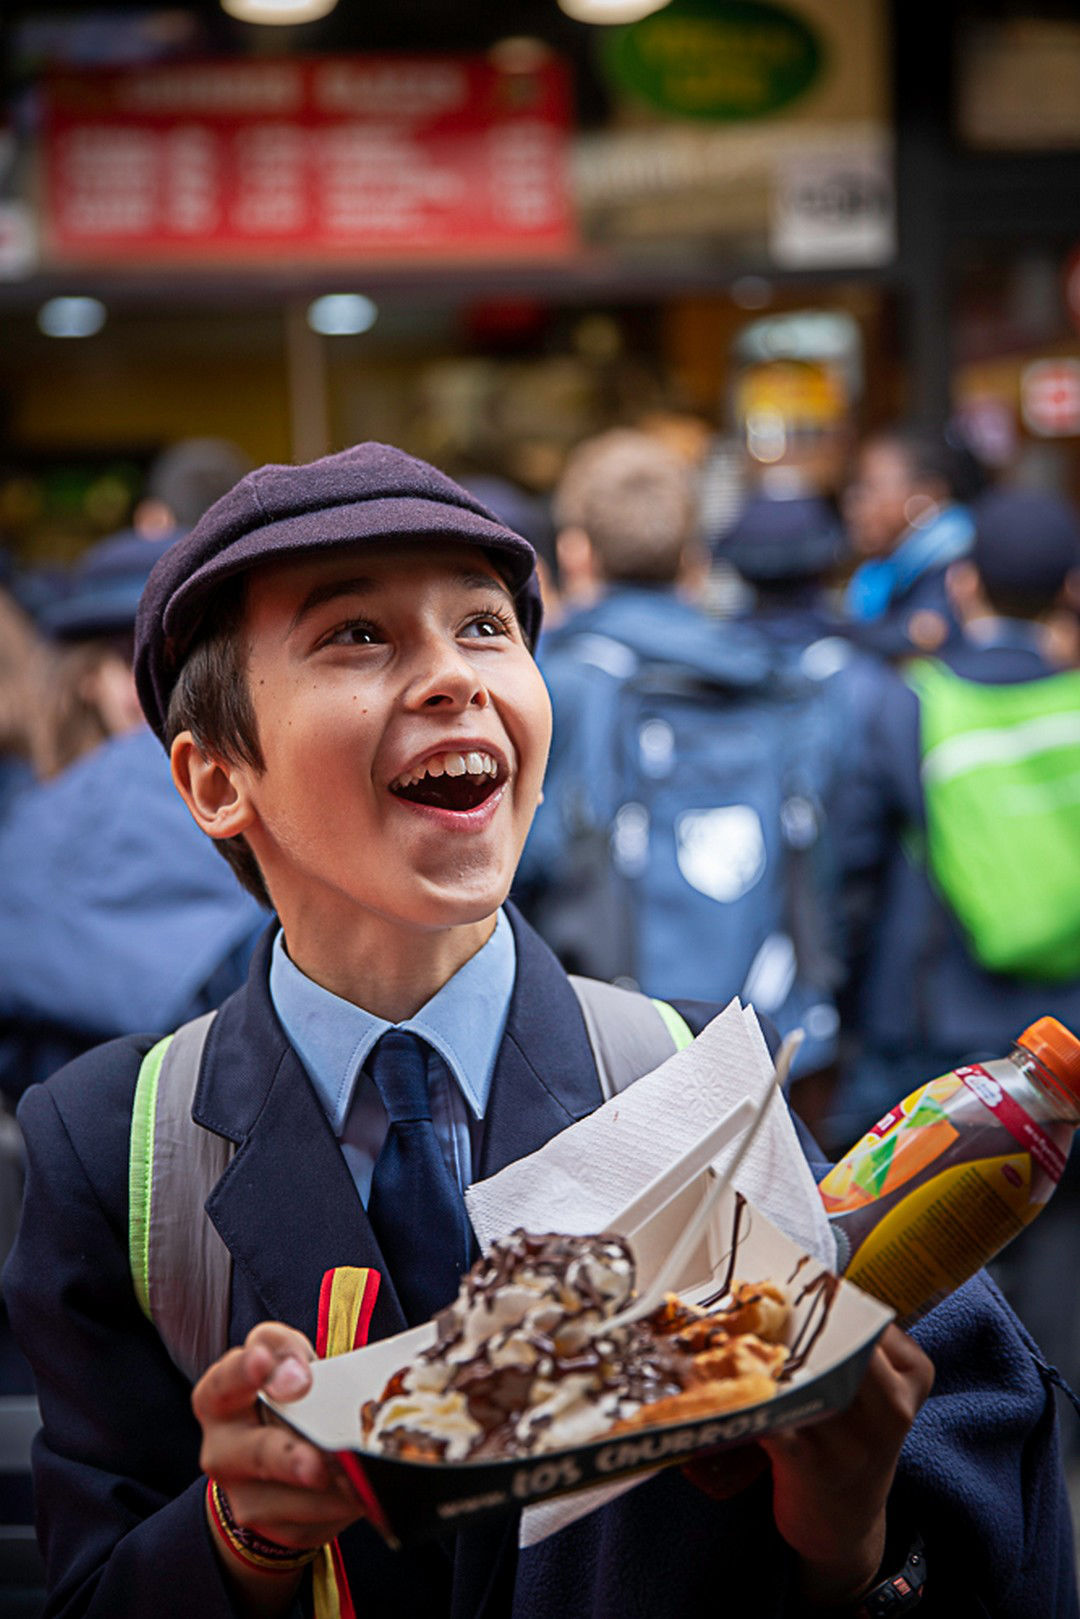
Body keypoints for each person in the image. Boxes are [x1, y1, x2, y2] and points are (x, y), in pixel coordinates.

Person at [4, 444, 1075, 1619]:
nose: (453, 677)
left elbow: (967, 1517)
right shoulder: (117, 1146)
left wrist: (849, 1539)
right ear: (215, 781)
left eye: (484, 627)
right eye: (357, 634)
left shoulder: (691, 1083)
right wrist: (242, 1531)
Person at [829, 487, 1080, 1147]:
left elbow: (855, 874)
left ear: (965, 586)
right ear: (1070, 588)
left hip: (937, 1030)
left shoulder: (909, 705)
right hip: (1069, 1035)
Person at [0, 527, 269, 1099]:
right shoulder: (34, 820)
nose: (166, 689)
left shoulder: (268, 800)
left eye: (196, 660)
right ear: (86, 677)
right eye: (134, 658)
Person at [842, 426, 985, 661]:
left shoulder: (957, 569)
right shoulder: (888, 573)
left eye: (868, 488)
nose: (853, 504)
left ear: (924, 497)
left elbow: (929, 636)